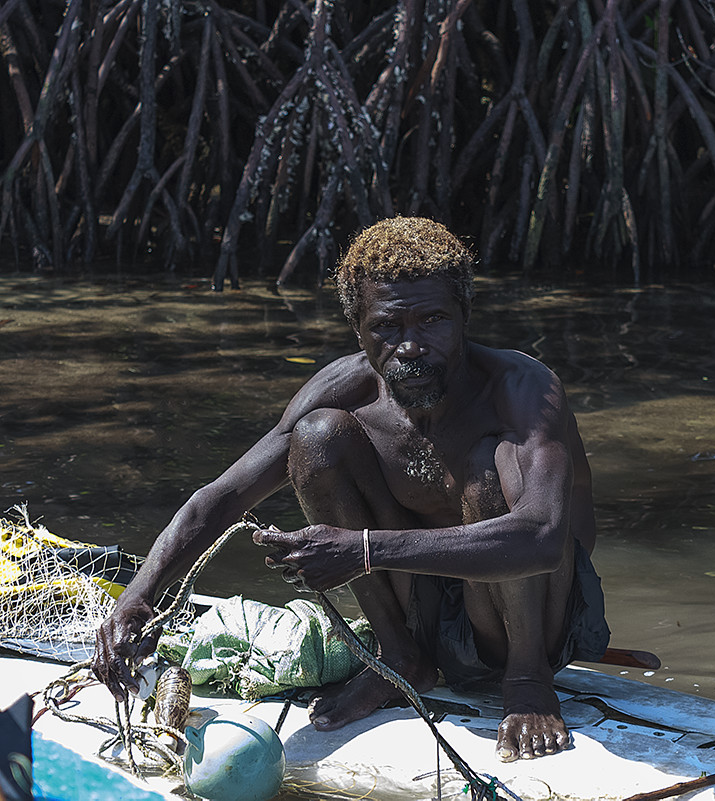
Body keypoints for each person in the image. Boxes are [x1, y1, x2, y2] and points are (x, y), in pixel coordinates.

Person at [92, 215, 610, 762]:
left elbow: (545, 538)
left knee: (488, 466)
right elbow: (221, 498)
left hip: (532, 616)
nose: (411, 346)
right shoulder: (346, 388)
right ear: (357, 328)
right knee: (315, 438)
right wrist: (138, 598)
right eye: (388, 327)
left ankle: (526, 681)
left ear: (465, 318)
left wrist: (361, 550)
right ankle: (398, 655)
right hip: (423, 605)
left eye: (433, 320)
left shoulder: (521, 388)